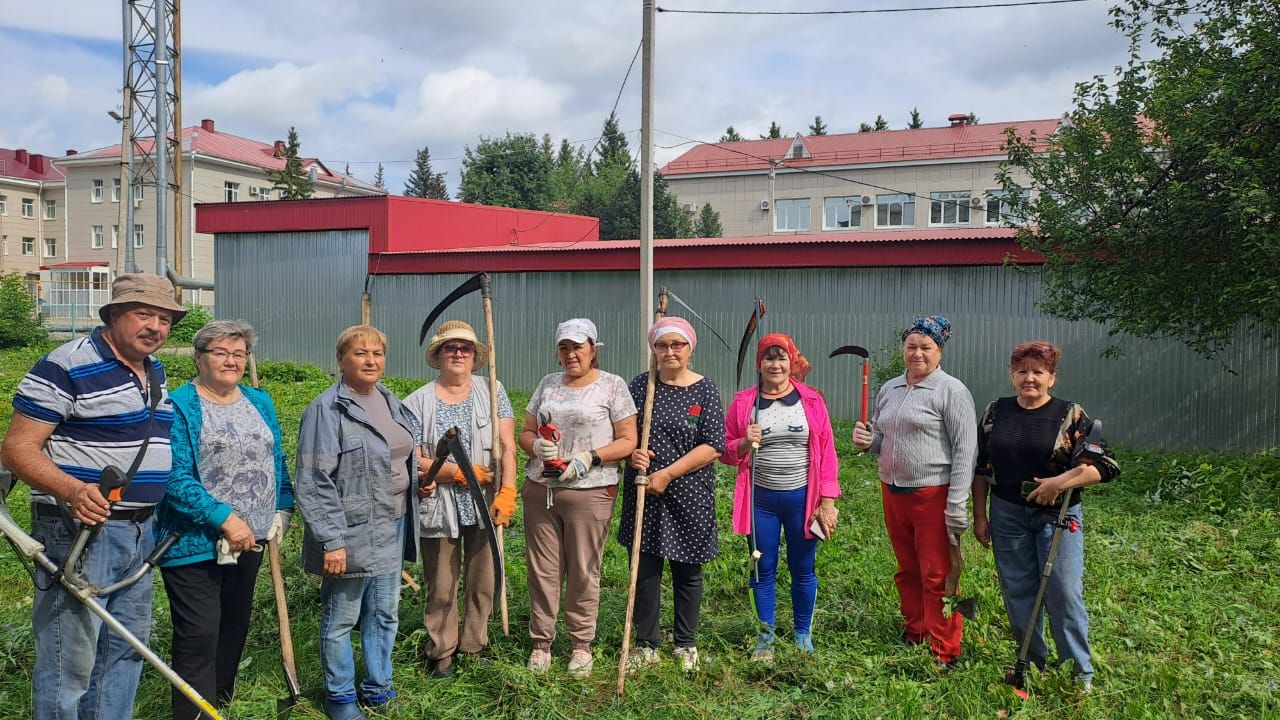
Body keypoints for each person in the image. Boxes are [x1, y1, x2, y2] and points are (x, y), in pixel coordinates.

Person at [0, 273, 185, 720]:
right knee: (71, 661)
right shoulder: (65, 365)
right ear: (113, 315)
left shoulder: (153, 370)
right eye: (144, 314)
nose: (155, 327)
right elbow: (17, 448)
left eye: (164, 319)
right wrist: (73, 489)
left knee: (123, 649)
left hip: (140, 531)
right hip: (81, 532)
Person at [153, 320, 295, 719]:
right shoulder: (179, 405)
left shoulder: (259, 401)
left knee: (233, 625)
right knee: (200, 634)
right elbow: (173, 476)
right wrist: (225, 518)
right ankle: (194, 713)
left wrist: (282, 507)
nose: (231, 360)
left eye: (238, 353)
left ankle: (220, 704)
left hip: (249, 539)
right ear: (198, 358)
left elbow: (275, 457)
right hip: (193, 541)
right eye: (220, 352)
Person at [973, 341, 1119, 691]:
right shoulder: (996, 411)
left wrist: (1059, 482)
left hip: (1058, 515)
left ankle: (1079, 671)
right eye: (1022, 371)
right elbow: (980, 468)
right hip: (1008, 512)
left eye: (1038, 372)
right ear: (1012, 375)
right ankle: (1032, 660)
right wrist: (980, 515)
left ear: (1051, 378)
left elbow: (1105, 466)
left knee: (1063, 591)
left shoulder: (1071, 415)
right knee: (1018, 590)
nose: (1030, 378)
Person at [295, 325, 420, 720]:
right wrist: (331, 540)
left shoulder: (390, 401)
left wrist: (417, 484)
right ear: (341, 360)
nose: (370, 360)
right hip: (350, 531)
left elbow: (398, 458)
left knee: (385, 611)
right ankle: (340, 696)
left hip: (393, 522)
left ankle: (378, 685)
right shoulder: (327, 409)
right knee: (341, 617)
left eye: (377, 353)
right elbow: (314, 480)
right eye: (360, 353)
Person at [852, 315, 976, 667]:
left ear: (939, 351)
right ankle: (916, 630)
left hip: (932, 494)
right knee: (907, 569)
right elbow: (882, 437)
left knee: (939, 572)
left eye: (926, 347)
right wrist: (869, 441)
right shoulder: (890, 388)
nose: (917, 353)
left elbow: (966, 451)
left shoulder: (951, 391)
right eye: (911, 346)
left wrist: (957, 504)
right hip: (893, 491)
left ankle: (945, 648)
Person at [517, 318, 637, 677]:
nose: (571, 354)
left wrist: (590, 458)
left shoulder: (612, 386)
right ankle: (542, 643)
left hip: (590, 490)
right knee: (542, 570)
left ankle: (581, 644)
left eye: (578, 347)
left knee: (584, 570)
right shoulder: (548, 384)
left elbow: (628, 441)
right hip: (542, 489)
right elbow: (525, 432)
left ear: (593, 349)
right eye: (564, 347)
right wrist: (536, 446)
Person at [402, 320, 517, 679]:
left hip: (484, 502)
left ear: (474, 356)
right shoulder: (416, 402)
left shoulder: (492, 390)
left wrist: (507, 491)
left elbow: (508, 448)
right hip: (440, 504)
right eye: (450, 347)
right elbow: (414, 458)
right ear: (437, 355)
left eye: (465, 348)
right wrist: (456, 473)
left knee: (482, 580)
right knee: (441, 584)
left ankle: (474, 644)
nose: (458, 353)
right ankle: (442, 651)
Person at [721, 333, 840, 662]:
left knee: (803, 567)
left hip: (803, 498)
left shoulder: (811, 400)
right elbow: (726, 453)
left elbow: (828, 452)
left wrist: (827, 501)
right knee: (763, 567)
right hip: (761, 501)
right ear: (759, 364)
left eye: (781, 358)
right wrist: (744, 442)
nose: (775, 364)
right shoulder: (744, 403)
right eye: (768, 358)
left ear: (792, 363)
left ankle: (803, 633)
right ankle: (766, 635)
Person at [619, 317, 726, 672]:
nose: (669, 352)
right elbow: (625, 434)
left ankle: (685, 643)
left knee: (687, 570)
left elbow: (713, 445)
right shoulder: (642, 386)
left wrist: (667, 473)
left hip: (689, 490)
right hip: (645, 490)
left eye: (677, 345)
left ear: (689, 349)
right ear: (654, 349)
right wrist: (634, 454)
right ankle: (647, 643)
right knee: (645, 569)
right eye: (662, 345)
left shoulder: (704, 389)